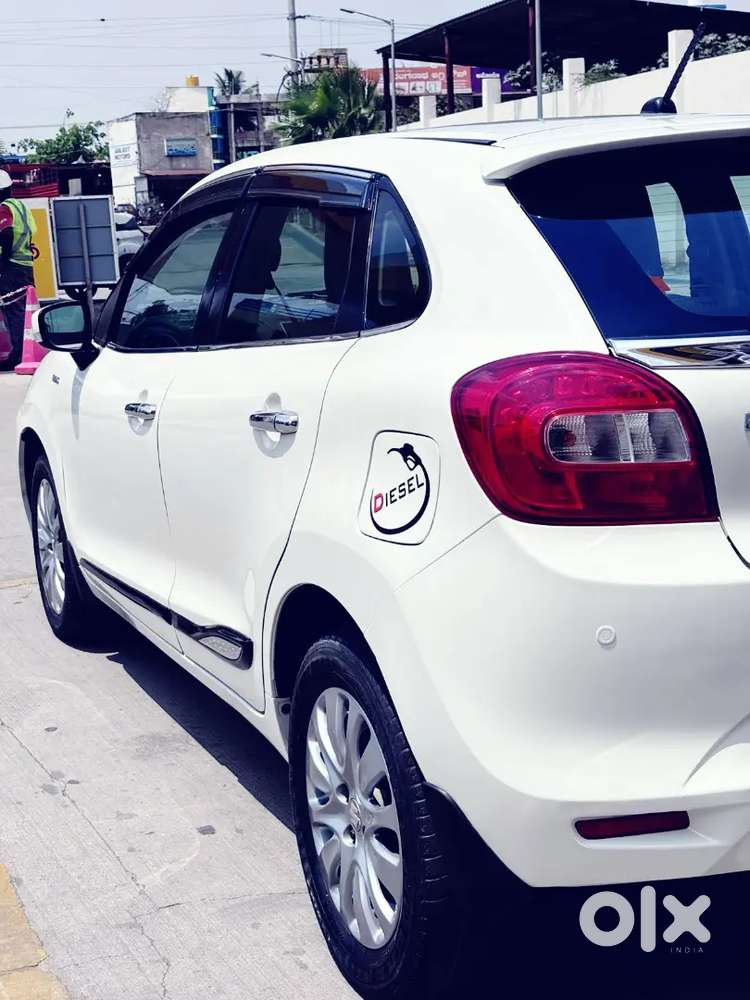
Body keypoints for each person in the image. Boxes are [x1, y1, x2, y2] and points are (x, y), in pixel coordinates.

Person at [0, 169, 36, 367]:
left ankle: (19, 355)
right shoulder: (21, 206)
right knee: (21, 311)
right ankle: (22, 351)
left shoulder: (4, 209)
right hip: (24, 264)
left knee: (14, 311)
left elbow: (6, 234)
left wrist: (2, 265)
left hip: (12, 266)